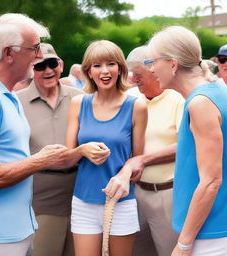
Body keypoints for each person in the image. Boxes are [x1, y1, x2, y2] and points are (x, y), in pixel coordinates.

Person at [0, 13, 67, 256]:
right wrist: (42, 159)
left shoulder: (5, 94)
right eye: (34, 49)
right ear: (8, 53)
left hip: (14, 230)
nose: (38, 57)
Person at [145, 25, 227, 255]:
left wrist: (183, 244)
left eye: (153, 62)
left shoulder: (200, 103)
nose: (151, 70)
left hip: (212, 234)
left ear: (172, 64)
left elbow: (211, 181)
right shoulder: (216, 92)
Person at [62, 40, 147, 256]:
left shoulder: (136, 106)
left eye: (111, 63)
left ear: (120, 68)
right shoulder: (78, 103)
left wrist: (126, 174)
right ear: (88, 71)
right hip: (83, 201)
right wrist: (81, 151)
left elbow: (138, 164)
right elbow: (66, 159)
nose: (105, 71)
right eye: (97, 65)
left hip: (121, 202)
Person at [17, 43, 84, 256]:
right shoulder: (16, 102)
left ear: (61, 64)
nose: (47, 70)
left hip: (80, 194)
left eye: (52, 63)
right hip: (40, 198)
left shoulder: (80, 98)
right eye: (40, 66)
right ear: (30, 69)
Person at [123, 46, 184, 256]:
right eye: (131, 74)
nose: (133, 80)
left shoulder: (177, 98)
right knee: (136, 251)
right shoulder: (131, 99)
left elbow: (186, 144)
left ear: (154, 70)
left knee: (169, 251)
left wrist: (143, 160)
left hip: (167, 194)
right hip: (134, 193)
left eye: (138, 74)